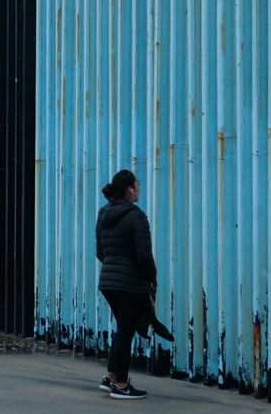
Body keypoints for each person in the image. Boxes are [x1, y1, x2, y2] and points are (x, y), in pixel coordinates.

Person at [94, 169, 160, 400]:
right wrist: (151, 277)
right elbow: (144, 255)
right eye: (138, 184)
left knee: (123, 329)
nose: (140, 188)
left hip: (109, 283)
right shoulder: (136, 216)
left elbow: (100, 252)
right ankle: (121, 386)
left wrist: (115, 267)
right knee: (125, 333)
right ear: (130, 189)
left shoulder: (104, 214)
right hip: (129, 284)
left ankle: (110, 377)